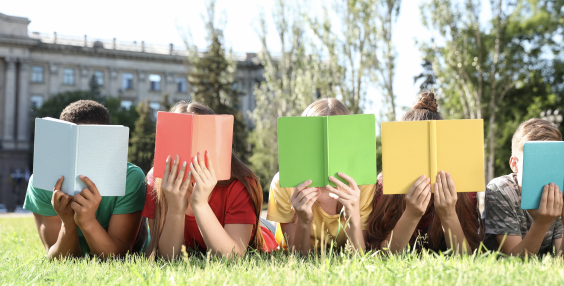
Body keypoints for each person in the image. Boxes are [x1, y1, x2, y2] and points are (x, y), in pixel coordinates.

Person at [143, 101, 274, 260]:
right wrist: (176, 209)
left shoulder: (240, 183)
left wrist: (200, 204)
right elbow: (168, 258)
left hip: (263, 234)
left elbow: (232, 257)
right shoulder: (156, 180)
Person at [24, 100, 147, 259]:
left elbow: (117, 257)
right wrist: (68, 223)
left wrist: (87, 221)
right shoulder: (41, 182)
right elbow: (58, 258)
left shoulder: (129, 178)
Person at [366, 92, 483, 255]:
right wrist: (411, 214)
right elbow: (382, 256)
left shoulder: (463, 188)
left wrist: (449, 215)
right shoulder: (385, 185)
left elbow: (467, 256)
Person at [267, 98, 376, 254]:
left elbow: (359, 255)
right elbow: (298, 257)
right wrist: (304, 221)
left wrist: (354, 219)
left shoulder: (362, 183)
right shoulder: (284, 182)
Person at [483, 118, 564, 257]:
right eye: (536, 160)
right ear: (514, 164)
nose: (545, 168)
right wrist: (541, 223)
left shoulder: (559, 190)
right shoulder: (500, 190)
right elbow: (514, 260)